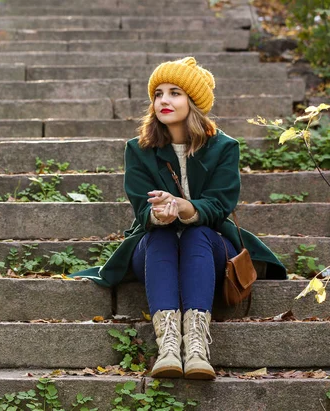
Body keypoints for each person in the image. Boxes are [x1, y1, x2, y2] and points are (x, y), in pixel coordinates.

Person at [71, 57, 286, 380]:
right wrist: (158, 213)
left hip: (209, 244)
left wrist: (185, 208)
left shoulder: (224, 147)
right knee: (159, 236)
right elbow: (141, 209)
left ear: (194, 101)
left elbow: (219, 205)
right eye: (158, 94)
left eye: (175, 93)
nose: (164, 101)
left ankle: (197, 347)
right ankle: (169, 347)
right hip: (157, 243)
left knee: (197, 234)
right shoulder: (139, 148)